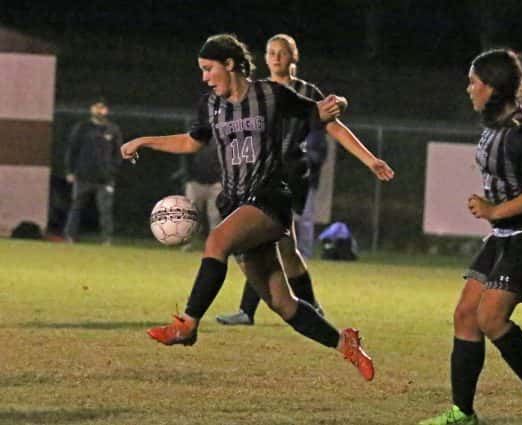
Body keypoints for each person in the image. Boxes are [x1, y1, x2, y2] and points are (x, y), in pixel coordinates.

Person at [120, 33, 394, 382]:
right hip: (235, 202)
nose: (204, 77)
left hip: (269, 198)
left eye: (208, 69)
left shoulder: (270, 93)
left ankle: (187, 325)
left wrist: (337, 105)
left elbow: (319, 112)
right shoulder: (210, 104)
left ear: (230, 64)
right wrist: (145, 140)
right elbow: (191, 142)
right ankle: (345, 344)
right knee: (283, 303)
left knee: (216, 242)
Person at [418, 49, 522, 425]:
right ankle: (462, 413)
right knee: (466, 315)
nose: (469, 89)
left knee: (491, 317)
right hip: (505, 234)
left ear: (493, 87)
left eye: (474, 83)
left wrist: (494, 209)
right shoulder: (495, 126)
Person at [216, 33, 327, 326]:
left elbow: (327, 125)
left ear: (294, 56)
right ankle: (295, 309)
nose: (276, 57)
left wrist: (313, 164)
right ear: (264, 57)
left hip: (288, 175)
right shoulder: (256, 91)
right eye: (270, 52)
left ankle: (302, 309)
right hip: (259, 175)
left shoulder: (307, 91)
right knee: (273, 245)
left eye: (282, 52)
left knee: (276, 245)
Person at [64, 99, 123, 245]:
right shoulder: (82, 127)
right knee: (76, 207)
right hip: (83, 176)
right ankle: (70, 236)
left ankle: (106, 239)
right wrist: (70, 171)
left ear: (106, 110)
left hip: (104, 178)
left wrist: (112, 171)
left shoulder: (112, 129)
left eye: (102, 108)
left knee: (105, 210)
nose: (100, 110)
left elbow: (118, 153)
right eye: (97, 107)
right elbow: (72, 151)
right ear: (92, 109)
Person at [171, 137, 222, 249]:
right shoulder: (195, 140)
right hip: (196, 182)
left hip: (216, 184)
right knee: (191, 215)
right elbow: (186, 159)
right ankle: (188, 243)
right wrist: (187, 175)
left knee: (215, 217)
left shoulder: (221, 139)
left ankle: (215, 246)